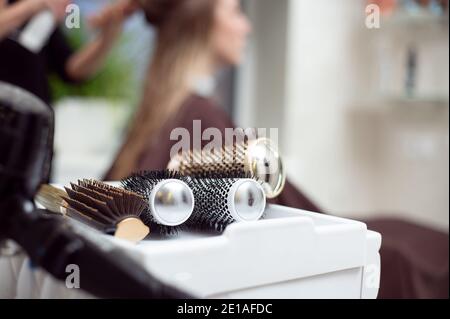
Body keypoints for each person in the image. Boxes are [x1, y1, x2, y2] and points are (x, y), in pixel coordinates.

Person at [105, 0, 448, 298]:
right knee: (413, 253)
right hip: (311, 243)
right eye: (236, 11)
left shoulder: (163, 113)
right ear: (202, 22)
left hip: (316, 225)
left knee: (404, 231)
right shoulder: (201, 118)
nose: (247, 25)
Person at [0, 0, 138, 105]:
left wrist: (109, 34)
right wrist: (38, 4)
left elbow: (72, 70)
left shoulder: (46, 21)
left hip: (28, 119)